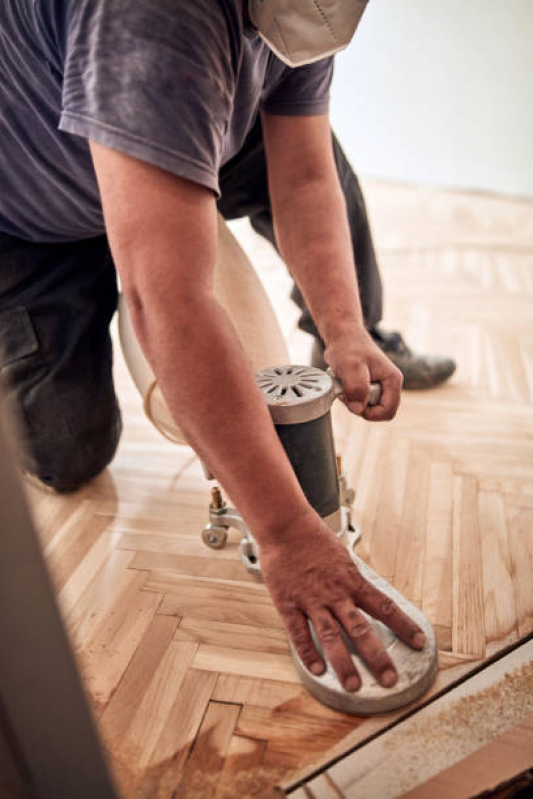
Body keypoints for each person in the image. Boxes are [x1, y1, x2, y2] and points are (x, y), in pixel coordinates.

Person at [1, 0, 431, 694]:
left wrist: (343, 328)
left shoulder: (303, 12)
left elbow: (303, 177)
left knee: (312, 160)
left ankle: (353, 326)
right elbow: (169, 300)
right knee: (64, 454)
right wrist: (288, 536)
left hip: (182, 118)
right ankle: (138, 243)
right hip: (31, 207)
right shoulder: (150, 16)